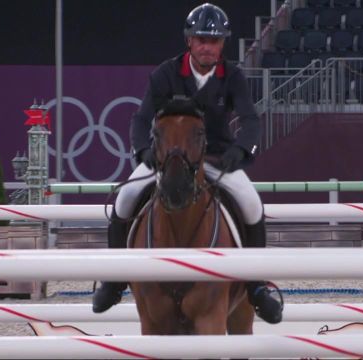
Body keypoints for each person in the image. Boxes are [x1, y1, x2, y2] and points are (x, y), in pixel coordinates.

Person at [92, 3, 283, 324]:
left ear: (222, 44)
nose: (208, 46)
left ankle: (255, 286)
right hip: (169, 160)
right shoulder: (166, 73)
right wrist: (143, 152)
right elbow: (140, 120)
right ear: (189, 41)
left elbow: (250, 120)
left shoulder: (232, 76)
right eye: (201, 39)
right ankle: (114, 279)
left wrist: (242, 149)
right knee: (124, 199)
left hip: (217, 160)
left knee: (253, 205)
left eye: (215, 40)